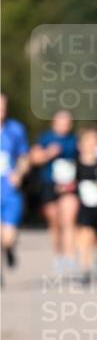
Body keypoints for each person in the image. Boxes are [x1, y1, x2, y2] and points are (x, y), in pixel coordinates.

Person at [30, 109, 79, 273]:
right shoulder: (45, 138)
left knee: (69, 220)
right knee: (55, 222)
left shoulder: (74, 139)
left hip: (69, 185)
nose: (65, 125)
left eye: (68, 122)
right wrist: (47, 153)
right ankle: (58, 255)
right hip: (49, 184)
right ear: (54, 122)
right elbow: (34, 159)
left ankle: (70, 257)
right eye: (62, 121)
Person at [75, 124, 97, 284]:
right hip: (84, 206)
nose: (92, 144)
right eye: (89, 140)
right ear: (81, 143)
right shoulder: (76, 163)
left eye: (95, 140)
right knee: (86, 235)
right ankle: (85, 269)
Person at [0, 93, 30, 270]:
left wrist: (19, 174)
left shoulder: (16, 129)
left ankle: (9, 248)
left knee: (8, 237)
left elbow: (24, 157)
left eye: (3, 106)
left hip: (9, 187)